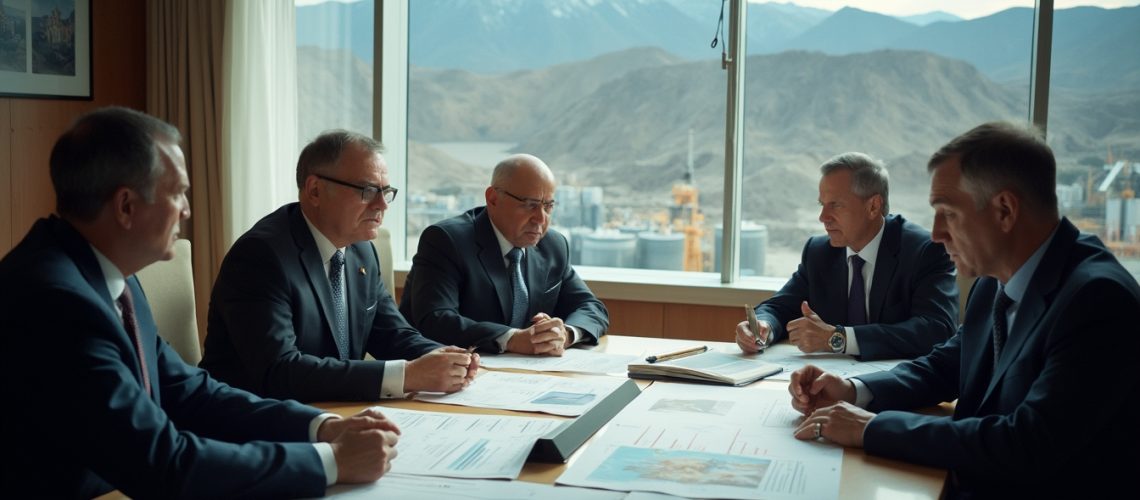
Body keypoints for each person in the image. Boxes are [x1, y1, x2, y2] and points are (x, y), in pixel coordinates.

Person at [0, 107, 400, 498]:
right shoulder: (57, 302)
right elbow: (162, 464)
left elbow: (190, 391)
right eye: (177, 194)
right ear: (126, 206)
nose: (188, 211)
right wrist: (329, 463)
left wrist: (322, 426)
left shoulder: (107, 274)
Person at [788, 122, 1140, 497]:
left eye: (949, 213)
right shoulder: (994, 279)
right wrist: (854, 390)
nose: (937, 233)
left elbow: (1027, 443)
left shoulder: (1099, 300)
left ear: (1004, 210)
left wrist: (870, 428)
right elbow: (948, 365)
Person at [200, 130, 478, 402]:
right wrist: (407, 375)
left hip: (338, 407)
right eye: (368, 190)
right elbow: (279, 371)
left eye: (386, 191)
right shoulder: (261, 256)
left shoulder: (361, 250)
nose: (382, 204)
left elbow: (391, 334)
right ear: (315, 190)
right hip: (258, 420)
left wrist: (449, 358)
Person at [735, 153, 958, 360]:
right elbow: (780, 307)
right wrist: (764, 325)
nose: (823, 217)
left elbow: (936, 329)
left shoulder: (924, 251)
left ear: (873, 206)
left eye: (836, 205)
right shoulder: (819, 252)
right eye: (822, 205)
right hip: (830, 382)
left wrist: (838, 338)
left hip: (900, 387)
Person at [399, 154, 608, 355]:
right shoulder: (446, 240)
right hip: (445, 374)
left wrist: (566, 334)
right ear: (493, 198)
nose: (540, 219)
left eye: (548, 206)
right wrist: (512, 339)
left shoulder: (553, 245)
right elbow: (436, 320)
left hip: (524, 376)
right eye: (530, 205)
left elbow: (591, 307)